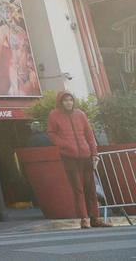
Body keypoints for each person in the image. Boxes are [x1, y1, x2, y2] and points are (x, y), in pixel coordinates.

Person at [47, 91, 112, 229]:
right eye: (65, 100)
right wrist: (65, 145)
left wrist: (94, 153)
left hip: (86, 155)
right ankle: (84, 218)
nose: (68, 102)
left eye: (70, 100)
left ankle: (95, 218)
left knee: (91, 188)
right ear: (61, 102)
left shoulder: (80, 114)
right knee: (78, 188)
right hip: (69, 157)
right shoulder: (54, 115)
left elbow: (89, 135)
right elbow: (51, 133)